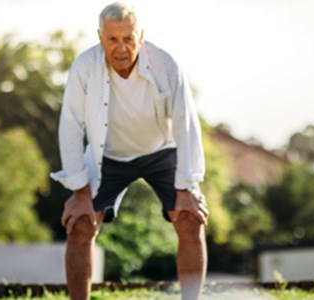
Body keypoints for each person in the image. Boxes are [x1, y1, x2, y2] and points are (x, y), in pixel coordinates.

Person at [50, 2, 209, 299]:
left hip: (162, 152)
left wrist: (187, 187)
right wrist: (80, 192)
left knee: (190, 218)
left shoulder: (166, 65)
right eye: (112, 39)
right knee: (80, 224)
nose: (121, 48)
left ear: (141, 36)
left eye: (128, 38)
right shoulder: (85, 67)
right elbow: (71, 126)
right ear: (100, 37)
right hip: (108, 156)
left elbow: (186, 123)